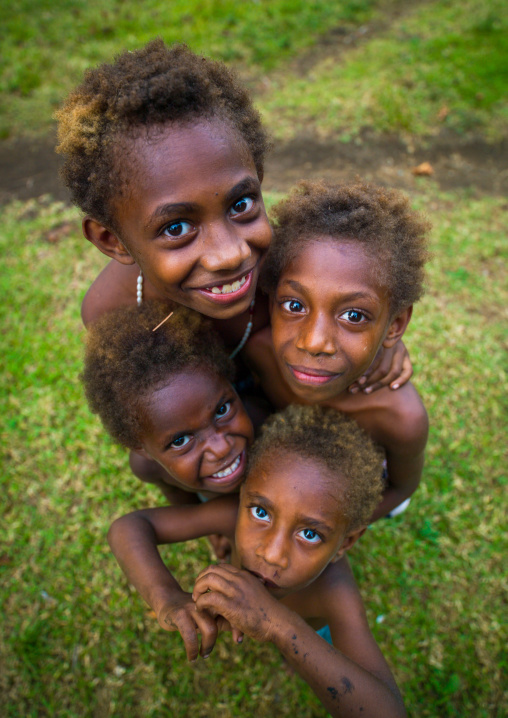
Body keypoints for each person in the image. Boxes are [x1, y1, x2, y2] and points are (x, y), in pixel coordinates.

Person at [107, 405, 406, 718]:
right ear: (243, 496)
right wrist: (165, 598)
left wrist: (278, 625)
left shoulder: (336, 592)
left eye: (309, 533)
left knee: (315, 658)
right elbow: (128, 528)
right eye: (261, 512)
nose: (272, 553)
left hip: (312, 631)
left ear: (345, 543)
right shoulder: (230, 513)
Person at [245, 179, 430, 521]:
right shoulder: (259, 354)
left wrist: (337, 530)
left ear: (395, 325)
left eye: (354, 315)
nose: (314, 342)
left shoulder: (401, 418)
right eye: (294, 305)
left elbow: (401, 489)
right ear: (270, 299)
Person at [82, 301, 256, 506]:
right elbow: (184, 506)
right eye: (181, 441)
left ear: (231, 383)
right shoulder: (148, 468)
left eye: (222, 410)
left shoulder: (264, 426)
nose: (221, 448)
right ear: (140, 447)